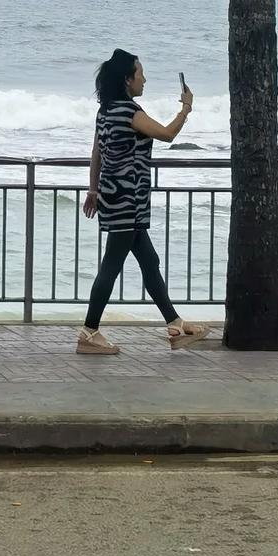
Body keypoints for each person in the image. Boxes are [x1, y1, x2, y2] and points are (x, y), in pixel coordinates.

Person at [77, 49, 209, 356]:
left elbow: (96, 153)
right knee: (111, 266)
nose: (144, 79)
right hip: (127, 200)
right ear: (127, 79)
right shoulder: (130, 112)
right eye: (140, 73)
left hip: (116, 197)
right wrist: (186, 109)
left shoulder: (105, 111)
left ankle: (175, 325)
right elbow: (166, 134)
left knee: (149, 262)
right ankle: (88, 331)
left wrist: (94, 191)